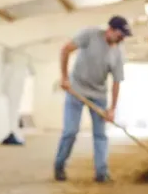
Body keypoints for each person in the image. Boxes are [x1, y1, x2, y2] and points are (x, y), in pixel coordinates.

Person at [54, 15, 132, 183]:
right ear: (110, 29)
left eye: (123, 37)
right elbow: (65, 49)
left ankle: (102, 173)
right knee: (70, 132)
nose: (121, 39)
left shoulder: (118, 53)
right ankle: (59, 166)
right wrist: (64, 78)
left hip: (98, 96)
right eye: (120, 35)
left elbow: (117, 82)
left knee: (100, 135)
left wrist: (112, 109)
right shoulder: (89, 35)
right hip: (76, 90)